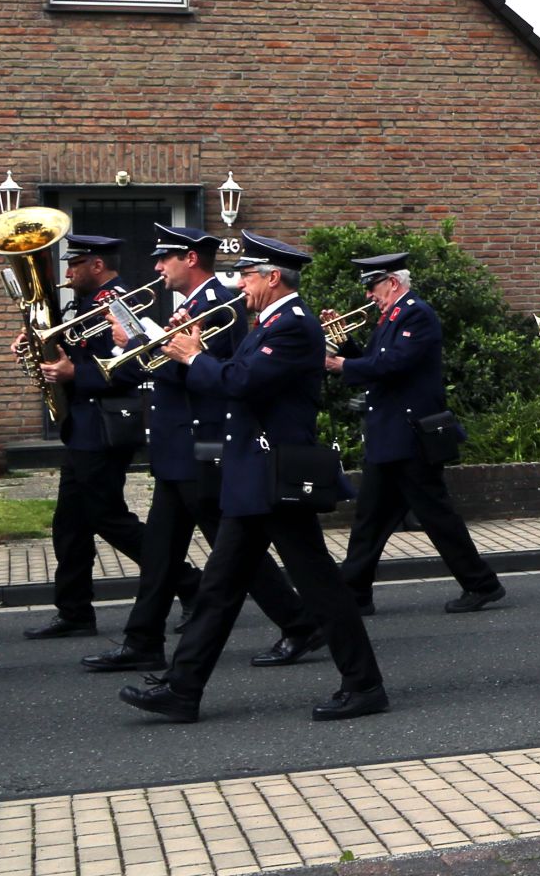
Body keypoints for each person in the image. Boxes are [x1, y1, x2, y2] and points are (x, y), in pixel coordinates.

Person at [121, 233, 386, 723]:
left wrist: (193, 356)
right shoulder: (268, 323)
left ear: (273, 278)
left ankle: (365, 684)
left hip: (274, 473)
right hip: (253, 473)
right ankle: (182, 688)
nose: (239, 284)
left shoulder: (293, 325)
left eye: (246, 276)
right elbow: (230, 377)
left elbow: (239, 384)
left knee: (319, 585)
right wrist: (190, 351)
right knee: (219, 588)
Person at [85, 225, 315, 675]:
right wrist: (140, 347)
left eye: (164, 258)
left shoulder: (217, 304)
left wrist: (138, 344)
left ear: (189, 259)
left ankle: (298, 622)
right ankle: (143, 640)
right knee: (160, 552)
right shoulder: (193, 305)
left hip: (201, 444)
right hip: (177, 445)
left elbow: (209, 376)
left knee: (236, 551)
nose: (157, 267)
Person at [328, 253, 506, 616]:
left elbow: (394, 364)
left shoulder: (416, 314)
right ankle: (355, 593)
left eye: (372, 286)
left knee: (435, 517)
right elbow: (374, 362)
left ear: (393, 282)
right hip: (389, 436)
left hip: (408, 437)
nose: (368, 295)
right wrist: (344, 343)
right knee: (369, 520)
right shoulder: (393, 316)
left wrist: (343, 364)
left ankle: (482, 584)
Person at [22, 233, 151, 641]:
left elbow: (138, 366)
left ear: (97, 265)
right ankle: (75, 611)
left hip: (104, 428)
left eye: (74, 264)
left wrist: (75, 373)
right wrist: (37, 344)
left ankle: (189, 583)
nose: (67, 272)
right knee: (70, 526)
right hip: (82, 428)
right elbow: (74, 350)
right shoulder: (83, 304)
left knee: (108, 519)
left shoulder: (120, 303)